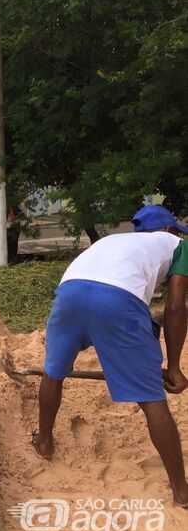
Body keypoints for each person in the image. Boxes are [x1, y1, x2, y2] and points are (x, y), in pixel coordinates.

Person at [32, 205, 188, 508]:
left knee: (54, 372)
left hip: (69, 294)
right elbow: (175, 308)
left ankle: (43, 442)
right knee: (151, 398)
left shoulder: (116, 241)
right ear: (169, 230)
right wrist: (175, 367)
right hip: (117, 300)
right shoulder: (178, 245)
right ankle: (182, 492)